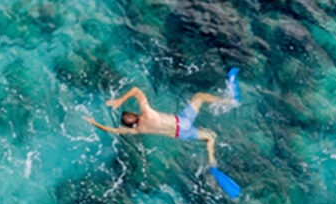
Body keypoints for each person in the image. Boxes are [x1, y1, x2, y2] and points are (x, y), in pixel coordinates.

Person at [84, 68, 241, 168]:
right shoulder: (146, 113)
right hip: (182, 121)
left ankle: (212, 160)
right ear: (134, 115)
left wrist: (95, 123)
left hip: (181, 134)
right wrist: (119, 100)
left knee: (211, 136)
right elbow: (136, 90)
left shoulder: (137, 130)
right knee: (199, 97)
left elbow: (113, 130)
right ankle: (229, 101)